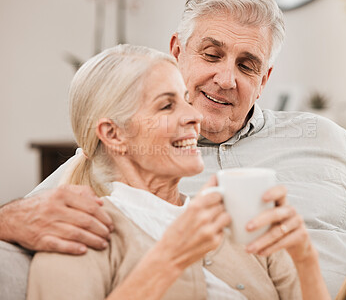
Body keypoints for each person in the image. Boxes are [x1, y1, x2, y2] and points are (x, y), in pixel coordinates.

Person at [0, 0, 346, 298]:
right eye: (211, 54)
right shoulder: (125, 154)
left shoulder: (326, 138)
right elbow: (40, 209)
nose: (226, 79)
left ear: (264, 81)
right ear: (177, 51)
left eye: (246, 65)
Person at [27, 44, 329, 300]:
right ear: (114, 134)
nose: (194, 116)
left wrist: (304, 256)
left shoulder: (236, 218)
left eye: (185, 99)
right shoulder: (77, 232)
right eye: (167, 106)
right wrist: (170, 258)